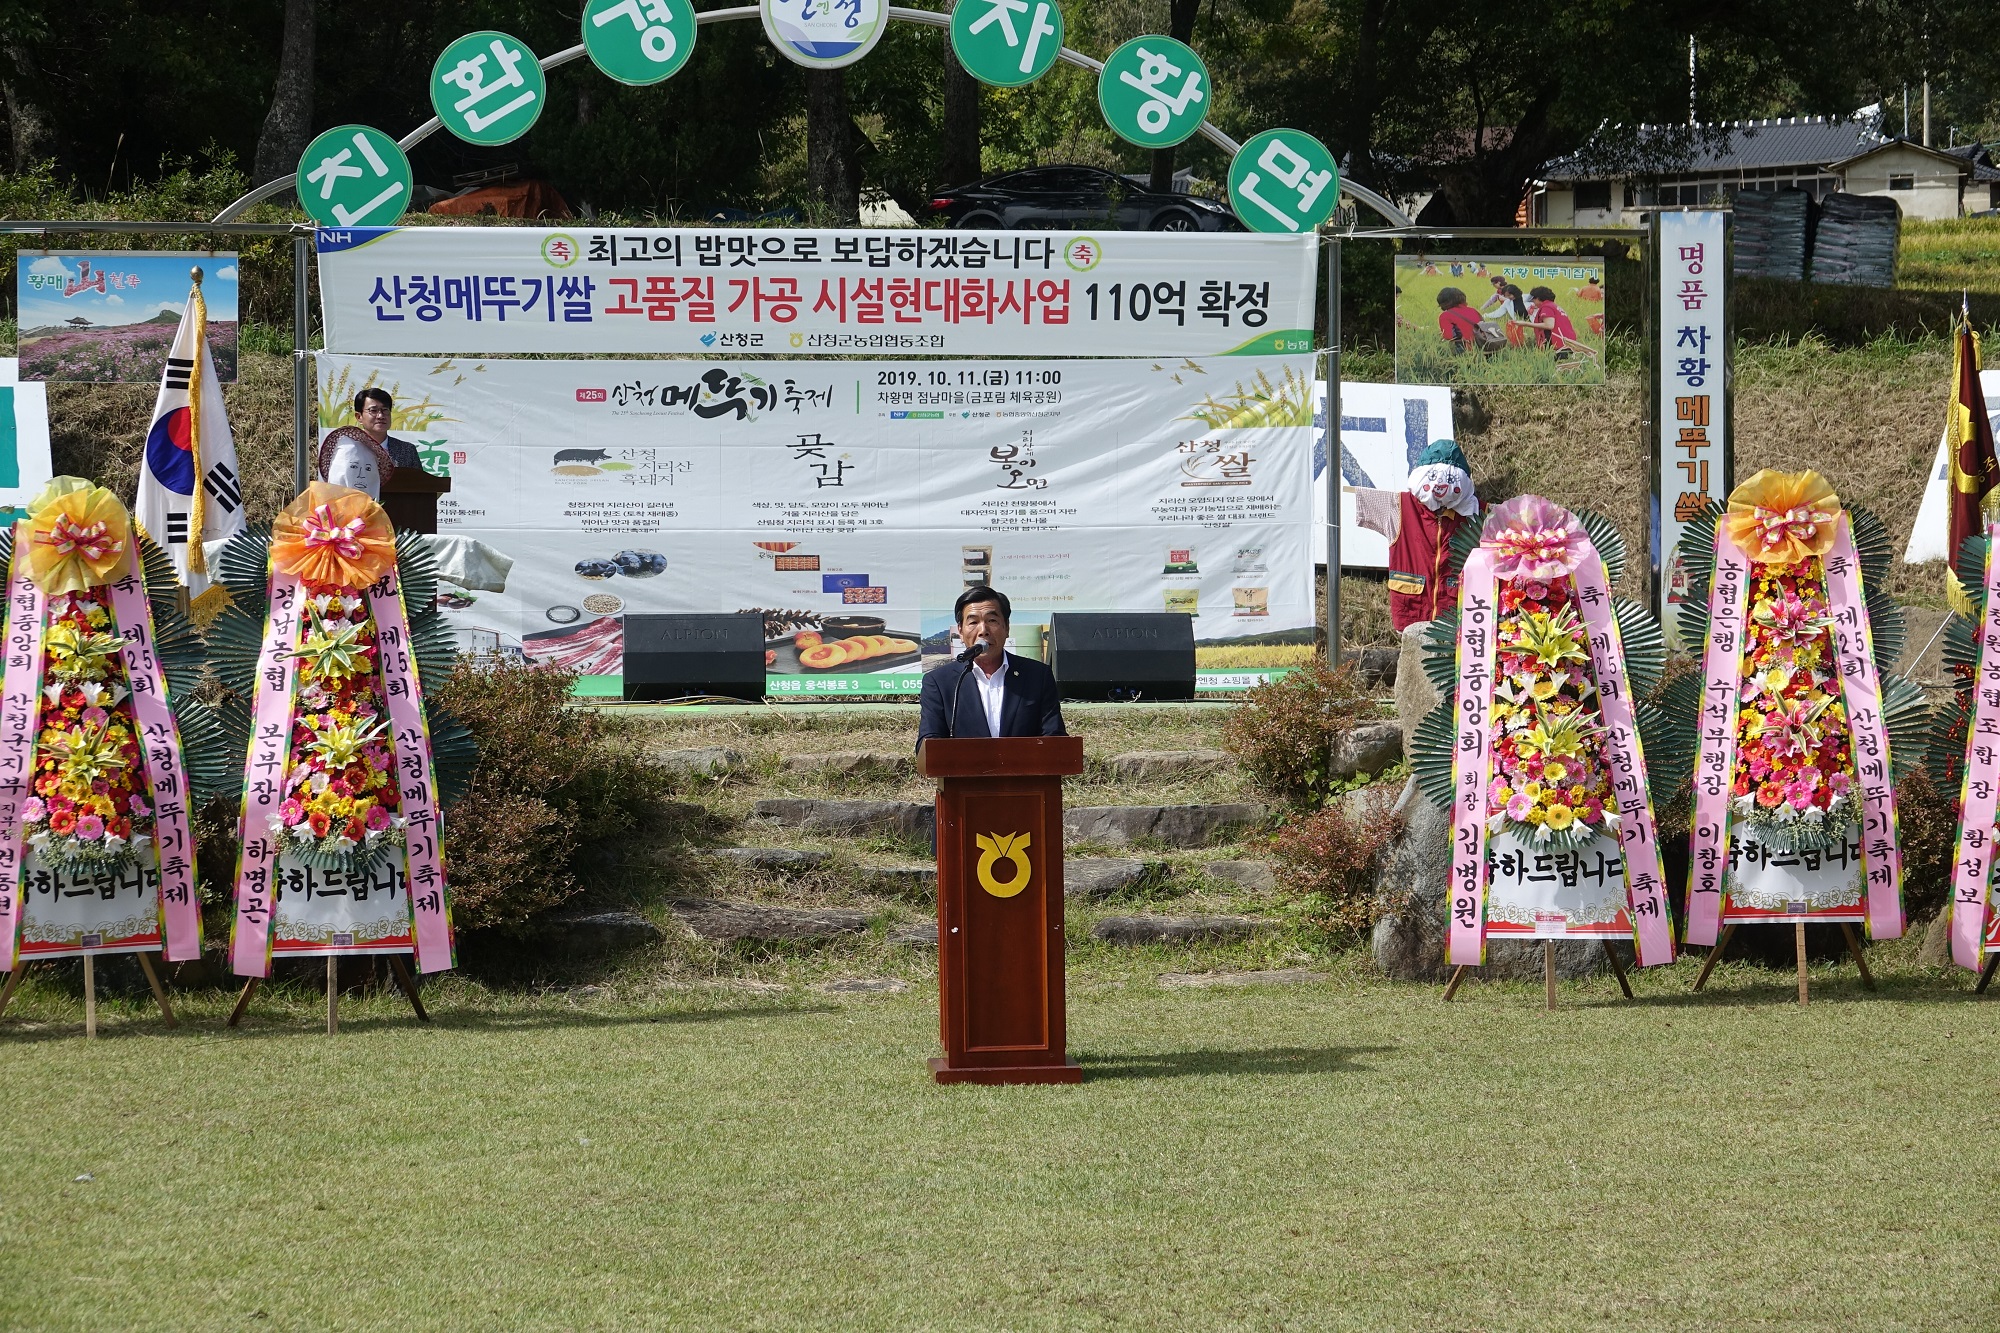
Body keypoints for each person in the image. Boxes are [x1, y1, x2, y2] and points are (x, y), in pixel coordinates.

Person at [1346, 439, 1481, 630]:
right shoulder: (1397, 507)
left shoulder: (1478, 515)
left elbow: (1514, 520)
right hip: (1412, 613)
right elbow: (1354, 496)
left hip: (1459, 619)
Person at [916, 586, 1065, 746]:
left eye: (992, 620)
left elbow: (1055, 737)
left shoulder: (1037, 676)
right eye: (973, 622)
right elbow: (928, 743)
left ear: (1007, 627)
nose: (983, 631)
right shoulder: (939, 682)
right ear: (960, 631)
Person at [317, 388, 425, 499]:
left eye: (385, 410)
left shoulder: (407, 450)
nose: (380, 416)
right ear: (359, 417)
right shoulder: (348, 451)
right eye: (373, 410)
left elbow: (422, 488)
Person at [1528, 286, 1599, 366]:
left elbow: (1549, 325)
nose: (1533, 302)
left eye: (1533, 300)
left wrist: (1524, 324)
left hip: (1557, 346)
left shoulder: (1546, 307)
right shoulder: (1555, 306)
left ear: (1538, 298)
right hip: (1569, 344)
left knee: (1549, 365)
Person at [1435, 287, 1485, 352]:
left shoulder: (1445, 316)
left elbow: (1449, 337)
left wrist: (1442, 335)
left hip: (1466, 348)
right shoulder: (1473, 310)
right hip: (1484, 343)